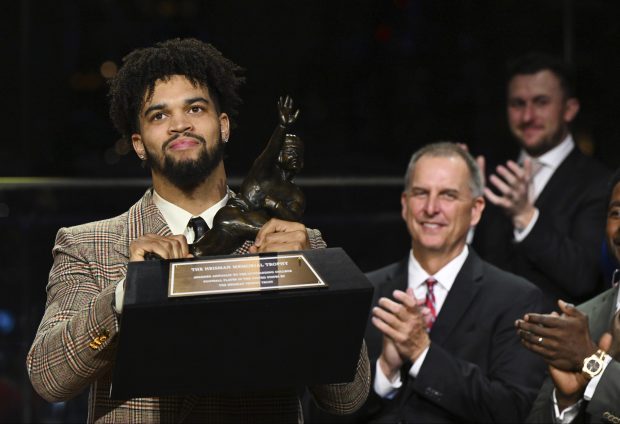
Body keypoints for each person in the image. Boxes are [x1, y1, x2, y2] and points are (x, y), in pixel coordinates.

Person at [26, 38, 370, 423]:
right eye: (159, 115)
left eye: (195, 107)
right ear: (139, 145)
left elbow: (348, 398)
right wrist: (128, 292)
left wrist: (311, 280)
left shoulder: (296, 243)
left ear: (223, 126)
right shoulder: (89, 245)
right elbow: (49, 378)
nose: (179, 124)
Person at [350, 142, 545, 422]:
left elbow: (513, 410)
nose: (431, 208)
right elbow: (318, 412)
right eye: (420, 193)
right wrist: (383, 371)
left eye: (448, 195)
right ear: (405, 205)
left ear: (476, 210)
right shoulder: (363, 293)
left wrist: (422, 353)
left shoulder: (517, 299)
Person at [472, 52, 610, 312]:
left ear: (569, 109)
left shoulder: (599, 182)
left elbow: (585, 279)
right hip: (484, 342)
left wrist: (525, 216)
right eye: (517, 104)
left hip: (555, 346)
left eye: (541, 102)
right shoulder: (491, 175)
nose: (527, 116)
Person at [516, 169, 620, 423]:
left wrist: (590, 362)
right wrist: (566, 404)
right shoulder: (583, 317)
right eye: (616, 213)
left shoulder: (579, 344)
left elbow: (589, 360)